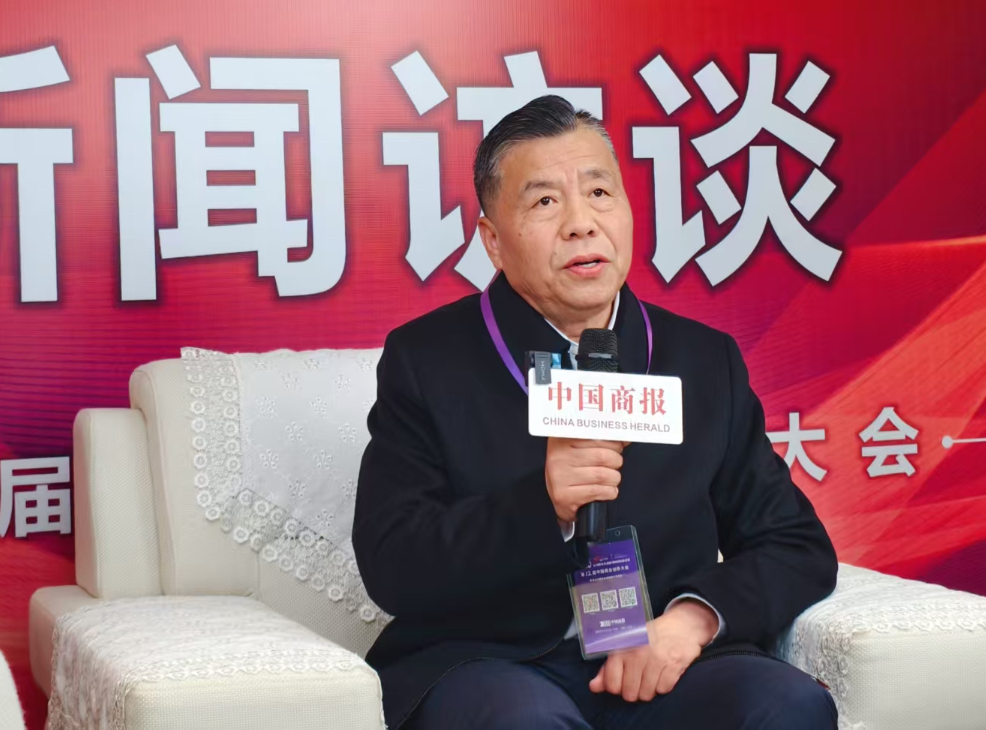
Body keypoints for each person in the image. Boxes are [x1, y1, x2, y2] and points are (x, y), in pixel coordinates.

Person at [352, 95, 838, 730]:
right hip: (493, 662)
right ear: (493, 242)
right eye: (545, 202)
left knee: (788, 705)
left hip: (656, 657)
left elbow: (795, 545)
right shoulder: (428, 360)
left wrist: (691, 621)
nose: (581, 224)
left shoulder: (701, 360)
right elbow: (393, 563)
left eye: (600, 193)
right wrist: (542, 505)